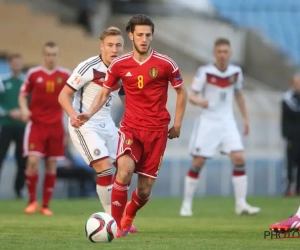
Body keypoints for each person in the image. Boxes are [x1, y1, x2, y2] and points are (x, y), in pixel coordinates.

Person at [76, 14, 187, 237]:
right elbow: (104, 93)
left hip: (157, 132)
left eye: (148, 35)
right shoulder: (119, 64)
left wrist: (177, 124)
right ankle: (116, 227)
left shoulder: (165, 64)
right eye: (139, 35)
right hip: (131, 128)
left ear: (152, 36)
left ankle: (129, 215)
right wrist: (88, 113)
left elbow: (181, 92)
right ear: (131, 35)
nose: (144, 39)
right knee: (124, 171)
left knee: (144, 191)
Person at [58, 26, 136, 233]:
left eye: (118, 45)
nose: (114, 49)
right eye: (110, 45)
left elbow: (126, 98)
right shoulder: (88, 67)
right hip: (85, 125)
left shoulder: (123, 68)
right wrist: (74, 117)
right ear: (102, 46)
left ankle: (121, 218)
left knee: (125, 168)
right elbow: (62, 95)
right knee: (105, 168)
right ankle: (112, 220)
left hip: (107, 124)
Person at [179, 38, 261, 217]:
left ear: (230, 53)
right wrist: (199, 100)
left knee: (239, 157)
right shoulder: (205, 72)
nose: (223, 55)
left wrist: (246, 119)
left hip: (227, 121)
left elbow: (239, 95)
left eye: (226, 51)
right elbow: (192, 95)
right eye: (219, 52)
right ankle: (186, 204)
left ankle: (241, 204)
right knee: (198, 162)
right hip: (208, 121)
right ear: (214, 53)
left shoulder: (236, 72)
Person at [19, 41, 70, 215]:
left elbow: (72, 99)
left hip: (56, 126)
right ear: (43, 55)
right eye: (48, 54)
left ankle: (45, 205)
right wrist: (25, 109)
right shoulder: (34, 74)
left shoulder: (65, 75)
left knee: (51, 164)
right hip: (36, 125)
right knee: (33, 161)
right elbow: (23, 94)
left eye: (54, 54)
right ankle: (32, 200)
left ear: (58, 56)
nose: (51, 58)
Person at [0, 53, 26, 198]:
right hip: (6, 124)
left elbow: (31, 102)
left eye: (18, 62)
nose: (16, 65)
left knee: (22, 159)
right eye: (13, 62)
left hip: (22, 126)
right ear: (10, 64)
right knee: (0, 156)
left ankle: (18, 190)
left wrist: (23, 112)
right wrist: (9, 112)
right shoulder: (3, 81)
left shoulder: (26, 82)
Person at [281, 74, 300, 196]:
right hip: (292, 136)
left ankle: (298, 188)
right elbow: (294, 112)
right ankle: (288, 188)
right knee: (290, 163)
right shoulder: (287, 98)